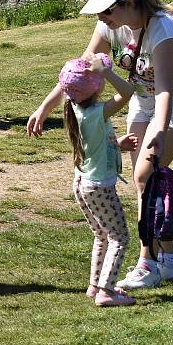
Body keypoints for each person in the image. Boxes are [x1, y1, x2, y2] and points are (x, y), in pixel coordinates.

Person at [27, 0, 173, 290]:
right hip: (143, 97)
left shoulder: (166, 29)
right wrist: (45, 106)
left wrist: (161, 131)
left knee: (144, 175)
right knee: (148, 179)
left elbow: (166, 88)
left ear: (128, 3)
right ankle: (169, 262)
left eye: (107, 9)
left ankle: (147, 264)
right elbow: (79, 70)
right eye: (99, 11)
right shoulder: (109, 27)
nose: (101, 16)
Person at [59, 53, 139, 307]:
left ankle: (95, 285)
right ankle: (106, 291)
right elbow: (129, 92)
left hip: (83, 183)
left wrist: (116, 144)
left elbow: (94, 143)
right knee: (119, 237)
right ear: (94, 87)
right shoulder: (96, 112)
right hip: (99, 186)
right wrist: (105, 71)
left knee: (101, 234)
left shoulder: (74, 107)